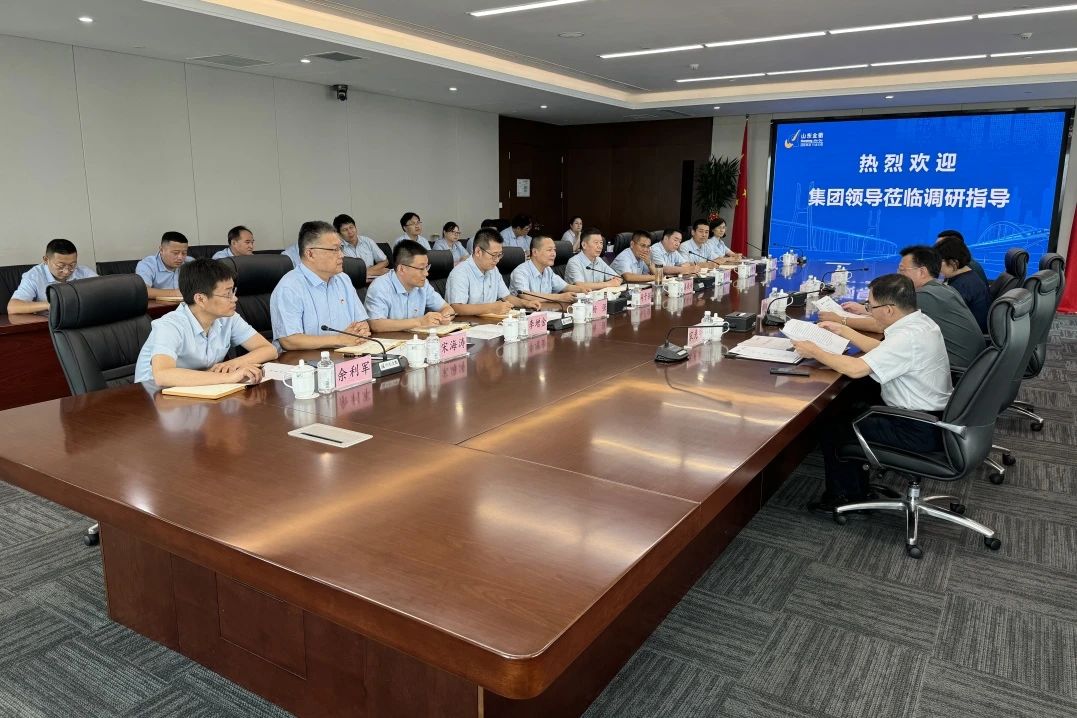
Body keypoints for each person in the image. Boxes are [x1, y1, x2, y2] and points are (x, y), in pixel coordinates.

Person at [793, 273, 952, 513]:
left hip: (915, 428)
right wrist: (844, 329)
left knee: (834, 426)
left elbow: (856, 369)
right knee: (853, 404)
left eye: (870, 306)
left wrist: (814, 351)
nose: (868, 311)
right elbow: (883, 350)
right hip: (932, 417)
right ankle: (856, 486)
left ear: (889, 309)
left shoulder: (907, 337)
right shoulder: (920, 323)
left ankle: (847, 498)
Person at [819, 245, 985, 371]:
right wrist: (867, 309)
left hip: (954, 367)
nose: (898, 274)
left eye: (902, 269)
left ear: (922, 271)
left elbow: (880, 325)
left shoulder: (923, 296)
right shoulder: (942, 289)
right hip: (971, 366)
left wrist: (841, 320)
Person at [134, 258, 277, 387]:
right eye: (227, 294)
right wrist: (229, 377)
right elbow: (163, 375)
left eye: (233, 291)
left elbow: (269, 350)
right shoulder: (169, 325)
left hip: (200, 389)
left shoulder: (228, 318)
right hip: (153, 396)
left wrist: (233, 364)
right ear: (200, 299)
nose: (235, 299)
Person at [270, 221, 371, 350]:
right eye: (334, 249)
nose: (342, 255)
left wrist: (361, 330)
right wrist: (339, 340)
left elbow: (362, 321)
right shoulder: (289, 287)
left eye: (341, 248)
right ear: (310, 254)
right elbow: (289, 340)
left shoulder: (343, 279)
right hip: (304, 359)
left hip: (346, 353)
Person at [364, 240, 456, 332]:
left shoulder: (423, 284)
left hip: (417, 338)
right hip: (392, 339)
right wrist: (420, 322)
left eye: (427, 267)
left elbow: (447, 308)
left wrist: (443, 317)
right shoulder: (380, 287)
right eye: (421, 268)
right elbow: (376, 324)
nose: (426, 273)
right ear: (401, 269)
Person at [445, 228, 541, 315]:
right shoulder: (460, 272)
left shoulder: (493, 269)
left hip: (489, 322)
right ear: (478, 252)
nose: (497, 260)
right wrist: (491, 308)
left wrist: (525, 303)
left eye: (500, 255)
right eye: (494, 255)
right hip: (467, 324)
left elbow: (506, 297)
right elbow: (456, 307)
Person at [7, 239, 97, 314]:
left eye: (72, 265)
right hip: (48, 324)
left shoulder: (83, 272)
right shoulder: (34, 276)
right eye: (60, 266)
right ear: (46, 260)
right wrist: (50, 304)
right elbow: (13, 307)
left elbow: (103, 293)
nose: (66, 271)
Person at [509, 234, 586, 307]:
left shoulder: (548, 270)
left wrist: (582, 290)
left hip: (546, 310)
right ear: (535, 252)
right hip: (526, 313)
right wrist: (560, 297)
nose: (554, 254)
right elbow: (525, 295)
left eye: (554, 250)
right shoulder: (521, 271)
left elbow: (565, 287)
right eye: (549, 250)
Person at [936, 235, 990, 333]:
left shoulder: (961, 287)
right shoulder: (969, 275)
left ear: (954, 263)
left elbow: (943, 315)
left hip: (969, 335)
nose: (936, 267)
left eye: (939, 262)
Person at [136, 231, 194, 299]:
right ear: (161, 250)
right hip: (159, 305)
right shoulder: (147, 265)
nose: (180, 257)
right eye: (175, 253)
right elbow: (143, 291)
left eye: (184, 253)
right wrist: (176, 293)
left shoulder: (190, 262)